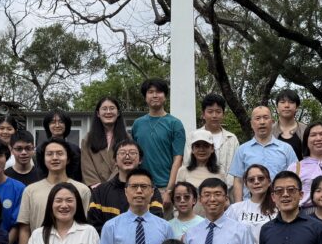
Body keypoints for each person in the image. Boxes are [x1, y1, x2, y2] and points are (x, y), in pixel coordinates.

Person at [87, 139, 164, 233]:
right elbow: (94, 226)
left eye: (132, 153)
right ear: (115, 160)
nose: (127, 156)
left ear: (140, 160)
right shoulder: (100, 192)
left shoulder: (151, 190)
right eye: (122, 153)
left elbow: (156, 223)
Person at [131, 77, 186, 206]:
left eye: (159, 92)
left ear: (165, 96)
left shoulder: (175, 124)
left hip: (164, 187)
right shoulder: (137, 124)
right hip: (140, 186)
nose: (155, 95)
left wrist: (169, 190)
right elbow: (134, 156)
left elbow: (178, 159)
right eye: (150, 92)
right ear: (145, 97)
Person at [228, 106, 294, 202]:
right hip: (250, 205)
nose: (262, 122)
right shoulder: (242, 150)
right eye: (258, 118)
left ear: (272, 122)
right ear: (251, 124)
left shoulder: (286, 149)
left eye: (266, 118)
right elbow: (238, 180)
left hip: (280, 203)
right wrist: (238, 205)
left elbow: (294, 177)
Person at [189, 93, 240, 192]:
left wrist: (222, 189)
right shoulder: (193, 137)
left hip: (228, 193)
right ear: (203, 114)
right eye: (210, 111)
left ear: (223, 114)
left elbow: (236, 169)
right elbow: (188, 163)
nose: (214, 116)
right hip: (198, 193)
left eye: (218, 112)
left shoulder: (232, 139)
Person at [224, 164, 278, 244]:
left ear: (269, 182)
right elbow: (226, 237)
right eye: (251, 180)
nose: (256, 182)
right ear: (246, 184)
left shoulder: (278, 208)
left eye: (261, 178)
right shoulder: (235, 209)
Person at [81, 96, 128, 187]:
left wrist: (109, 186)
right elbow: (87, 167)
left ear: (118, 113)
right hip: (95, 189)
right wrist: (98, 187)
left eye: (112, 108)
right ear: (98, 114)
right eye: (104, 109)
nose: (108, 112)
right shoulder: (88, 139)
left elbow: (126, 164)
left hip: (120, 186)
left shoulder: (127, 139)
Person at [175, 128, 227, 198]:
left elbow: (225, 198)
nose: (201, 150)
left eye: (205, 146)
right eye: (197, 146)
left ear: (212, 148)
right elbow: (178, 197)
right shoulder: (183, 171)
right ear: (192, 149)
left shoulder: (220, 171)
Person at [43, 109, 83, 183]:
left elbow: (78, 175)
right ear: (47, 125)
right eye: (53, 122)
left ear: (66, 125)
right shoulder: (42, 148)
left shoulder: (74, 149)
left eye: (61, 122)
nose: (57, 125)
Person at [271, 89, 307, 161]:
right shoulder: (269, 131)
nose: (286, 105)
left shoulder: (306, 130)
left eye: (291, 102)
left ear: (297, 107)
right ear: (277, 108)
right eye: (282, 102)